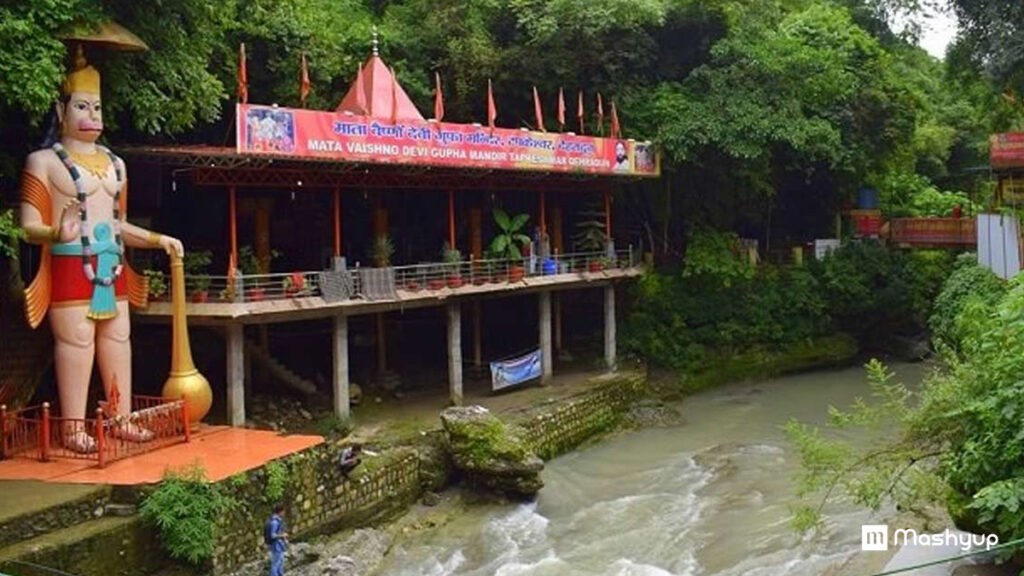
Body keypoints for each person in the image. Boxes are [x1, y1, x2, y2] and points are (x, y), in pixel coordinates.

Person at [19, 45, 184, 453]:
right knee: (77, 343)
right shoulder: (43, 162)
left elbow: (117, 224)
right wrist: (58, 231)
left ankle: (120, 417)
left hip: (111, 265)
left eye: (97, 107)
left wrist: (156, 239)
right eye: (82, 106)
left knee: (118, 339)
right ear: (61, 112)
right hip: (71, 263)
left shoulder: (116, 164)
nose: (93, 116)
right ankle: (74, 428)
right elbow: (26, 227)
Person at [265, 503, 288, 576]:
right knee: (275, 564)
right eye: (283, 511)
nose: (284, 513)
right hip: (276, 546)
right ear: (280, 511)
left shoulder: (277, 520)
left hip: (279, 546)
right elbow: (273, 535)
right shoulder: (274, 522)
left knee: (280, 562)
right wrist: (282, 535)